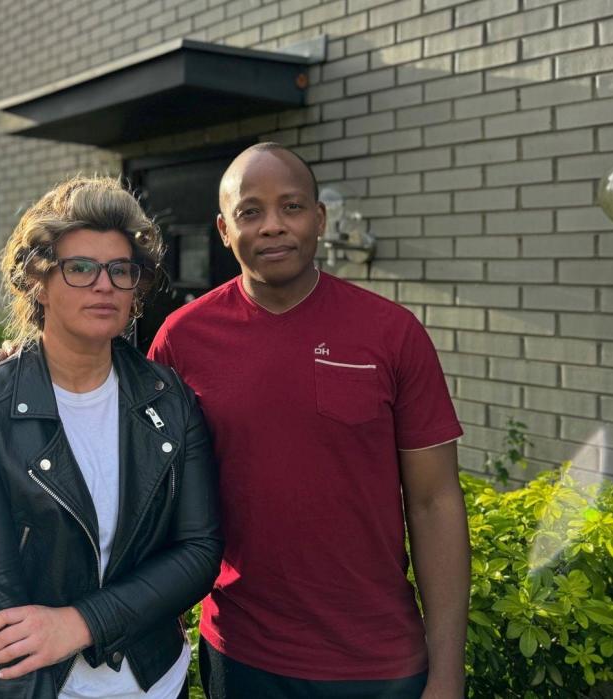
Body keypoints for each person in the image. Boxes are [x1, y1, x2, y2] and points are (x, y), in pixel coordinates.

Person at [148, 143, 470, 698]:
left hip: (381, 661)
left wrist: (447, 670)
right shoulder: (181, 339)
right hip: (242, 654)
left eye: (291, 207)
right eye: (251, 212)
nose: (272, 226)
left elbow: (435, 501)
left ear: (319, 220)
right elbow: (156, 495)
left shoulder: (392, 333)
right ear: (224, 230)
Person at [0, 176, 223, 699]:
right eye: (80, 267)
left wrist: (84, 622)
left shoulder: (170, 399)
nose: (104, 284)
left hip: (157, 681)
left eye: (120, 270)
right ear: (38, 281)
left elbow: (199, 550)